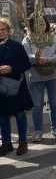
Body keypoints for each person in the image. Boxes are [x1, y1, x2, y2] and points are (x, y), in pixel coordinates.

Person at [22, 13, 56, 142]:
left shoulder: (53, 37)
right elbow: (25, 58)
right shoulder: (28, 40)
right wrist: (35, 58)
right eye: (37, 23)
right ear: (32, 25)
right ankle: (38, 131)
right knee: (37, 105)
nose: (40, 26)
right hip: (35, 77)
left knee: (55, 102)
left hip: (54, 76)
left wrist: (47, 59)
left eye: (42, 23)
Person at [0, 18, 33, 156]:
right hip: (0, 89)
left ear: (8, 31)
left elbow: (26, 64)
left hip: (16, 87)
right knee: (2, 117)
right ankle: (6, 143)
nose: (0, 32)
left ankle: (23, 142)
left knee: (20, 115)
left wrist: (11, 68)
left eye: (3, 29)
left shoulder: (17, 46)